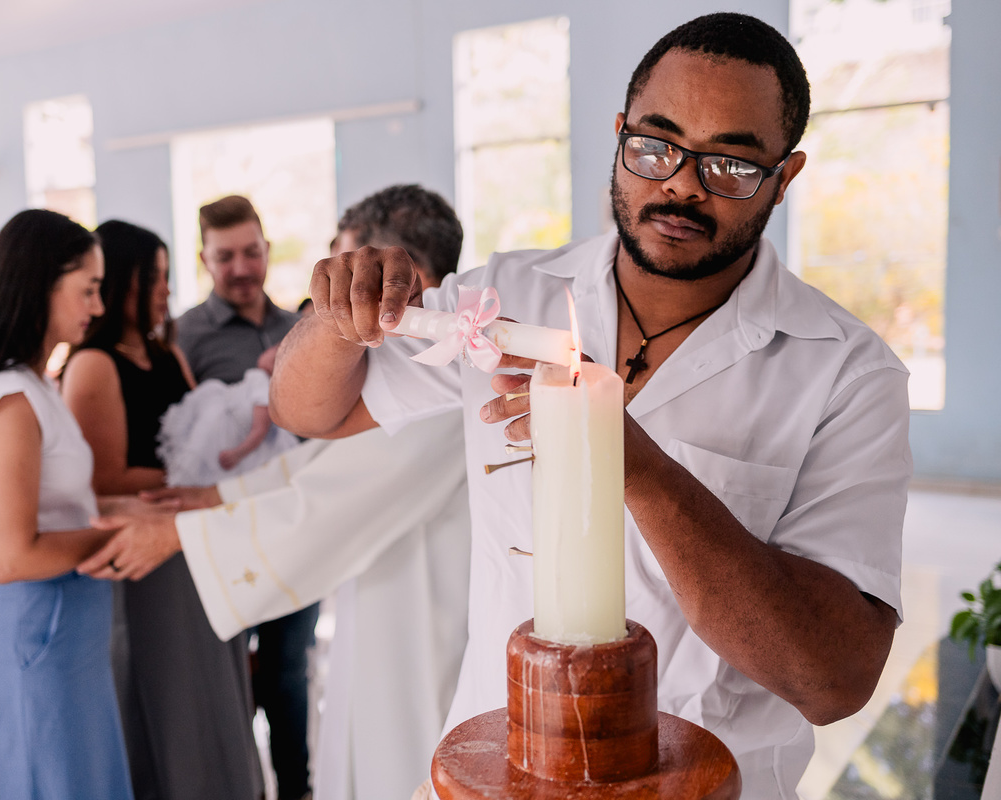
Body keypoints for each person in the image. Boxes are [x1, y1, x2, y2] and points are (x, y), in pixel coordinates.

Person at [269, 14, 911, 800]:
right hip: (497, 773)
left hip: (702, 785)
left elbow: (836, 680)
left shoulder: (845, 372)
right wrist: (335, 321)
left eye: (731, 163)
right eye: (656, 145)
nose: (680, 183)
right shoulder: (505, 298)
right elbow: (314, 412)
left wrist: (635, 466)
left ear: (786, 174)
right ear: (619, 134)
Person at [140, 184, 472, 800]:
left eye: (347, 279)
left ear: (405, 276)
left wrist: (180, 533)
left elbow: (336, 500)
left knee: (405, 761)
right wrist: (214, 499)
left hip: (423, 626)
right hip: (381, 595)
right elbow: (322, 461)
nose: (334, 307)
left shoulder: (447, 372)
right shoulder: (405, 368)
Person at [0, 208, 145, 800]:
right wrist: (119, 533)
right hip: (25, 637)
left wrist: (136, 511)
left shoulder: (34, 385)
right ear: (39, 283)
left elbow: (57, 506)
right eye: (89, 289)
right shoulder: (9, 396)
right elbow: (11, 555)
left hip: (61, 635)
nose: (98, 307)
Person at [61, 219, 263, 800]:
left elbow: (199, 424)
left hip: (195, 535)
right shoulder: (93, 364)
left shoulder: (164, 352)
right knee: (168, 687)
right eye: (154, 276)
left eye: (168, 276)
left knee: (213, 683)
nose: (163, 289)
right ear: (123, 278)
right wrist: (201, 476)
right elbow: (102, 477)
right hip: (147, 547)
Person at [175, 195, 314, 800]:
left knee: (289, 674)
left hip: (293, 525)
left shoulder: (297, 329)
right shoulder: (184, 335)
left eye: (250, 252)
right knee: (223, 680)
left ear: (266, 251)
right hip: (223, 534)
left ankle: (296, 789)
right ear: (204, 259)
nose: (240, 267)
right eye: (225, 255)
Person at [157, 344, 299, 486]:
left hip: (237, 440)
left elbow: (260, 428)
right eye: (274, 352)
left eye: (280, 360)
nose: (275, 357)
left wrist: (238, 453)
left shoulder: (263, 382)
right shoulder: (257, 378)